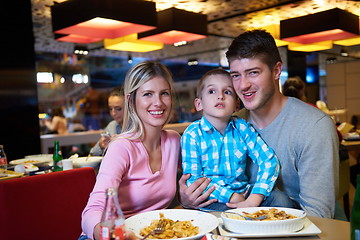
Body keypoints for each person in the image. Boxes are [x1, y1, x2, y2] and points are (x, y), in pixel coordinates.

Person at [179, 29, 339, 219]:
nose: (243, 85)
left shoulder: (314, 126)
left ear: (277, 70)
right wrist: (188, 200)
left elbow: (319, 217)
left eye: (253, 72)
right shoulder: (232, 121)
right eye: (236, 75)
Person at [81, 61, 181, 240]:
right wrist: (108, 233)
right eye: (147, 94)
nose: (158, 102)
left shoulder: (174, 140)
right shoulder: (121, 147)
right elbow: (93, 209)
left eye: (164, 93)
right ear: (131, 100)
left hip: (151, 234)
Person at [181, 68, 294, 211]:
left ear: (236, 105)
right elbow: (193, 181)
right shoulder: (192, 134)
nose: (220, 96)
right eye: (212, 91)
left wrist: (256, 196)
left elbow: (268, 160)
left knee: (281, 200)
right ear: (199, 104)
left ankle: (258, 226)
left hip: (245, 194)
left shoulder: (242, 128)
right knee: (223, 217)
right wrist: (230, 196)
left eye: (227, 92)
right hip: (214, 200)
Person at [90, 87, 125, 156]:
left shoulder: (139, 128)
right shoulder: (112, 126)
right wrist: (101, 146)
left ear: (130, 107)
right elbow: (92, 154)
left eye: (118, 109)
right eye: (110, 109)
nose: (113, 113)